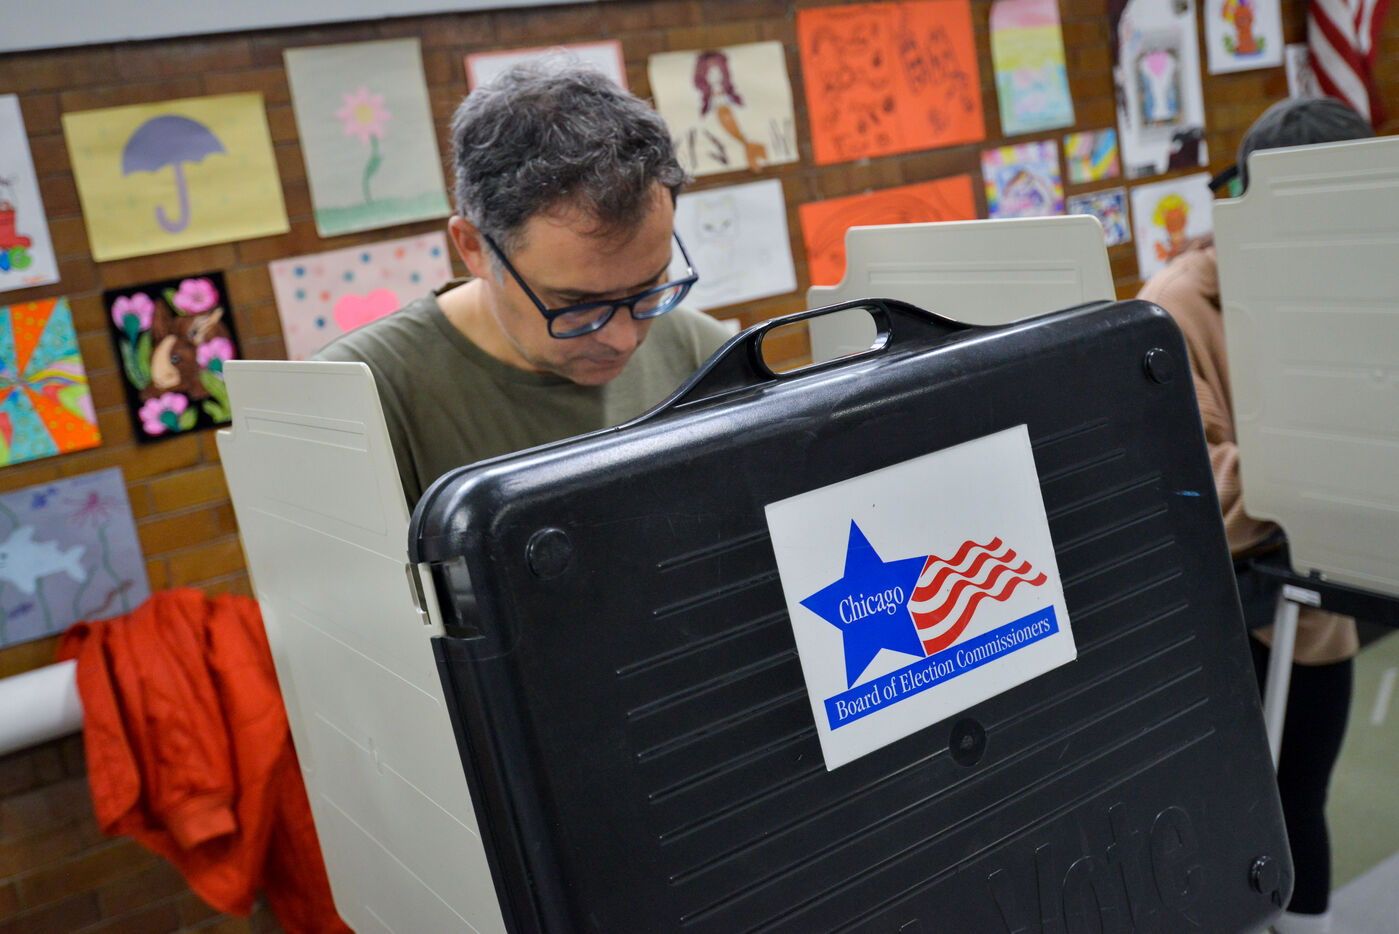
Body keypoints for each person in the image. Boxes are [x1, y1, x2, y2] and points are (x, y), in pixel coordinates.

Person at [1136, 96, 1374, 934]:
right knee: (1231, 830)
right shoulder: (1176, 304)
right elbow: (1193, 486)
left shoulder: (1359, 281)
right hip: (1224, 620)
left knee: (1301, 802)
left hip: (1317, 610)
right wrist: (1329, 474)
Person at [315, 62, 733, 508]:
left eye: (648, 287)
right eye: (577, 303)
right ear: (474, 247)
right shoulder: (352, 403)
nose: (624, 339)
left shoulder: (709, 357)